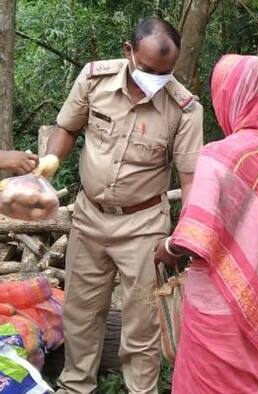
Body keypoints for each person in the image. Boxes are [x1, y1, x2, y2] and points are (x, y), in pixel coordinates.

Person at [37, 18, 203, 394]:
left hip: (143, 225)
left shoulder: (185, 109)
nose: (156, 79)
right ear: (129, 51)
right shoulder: (94, 79)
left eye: (166, 72)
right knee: (80, 311)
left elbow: (190, 178)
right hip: (89, 216)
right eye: (148, 69)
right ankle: (76, 386)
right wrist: (49, 163)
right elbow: (67, 127)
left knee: (142, 321)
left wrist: (183, 235)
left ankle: (140, 390)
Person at [153, 54, 258, 393]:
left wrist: (166, 248)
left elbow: (195, 237)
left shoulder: (221, 156)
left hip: (220, 305)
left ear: (228, 97)